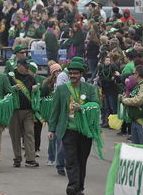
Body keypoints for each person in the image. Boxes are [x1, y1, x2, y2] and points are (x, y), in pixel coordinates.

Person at [48, 61, 99, 195]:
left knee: (82, 160)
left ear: (81, 74)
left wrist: (82, 108)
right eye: (70, 73)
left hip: (85, 131)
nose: (72, 76)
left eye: (75, 73)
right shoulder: (61, 89)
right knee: (71, 159)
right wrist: (51, 129)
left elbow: (96, 105)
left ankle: (79, 188)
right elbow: (55, 110)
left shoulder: (89, 88)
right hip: (68, 130)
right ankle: (72, 187)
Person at [8, 58, 39, 168]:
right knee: (15, 135)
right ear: (18, 66)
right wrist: (13, 88)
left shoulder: (31, 78)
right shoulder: (10, 77)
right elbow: (6, 91)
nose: (26, 68)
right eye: (24, 66)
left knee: (29, 133)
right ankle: (17, 158)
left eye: (27, 66)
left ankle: (30, 159)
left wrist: (36, 89)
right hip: (14, 110)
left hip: (28, 111)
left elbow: (36, 94)